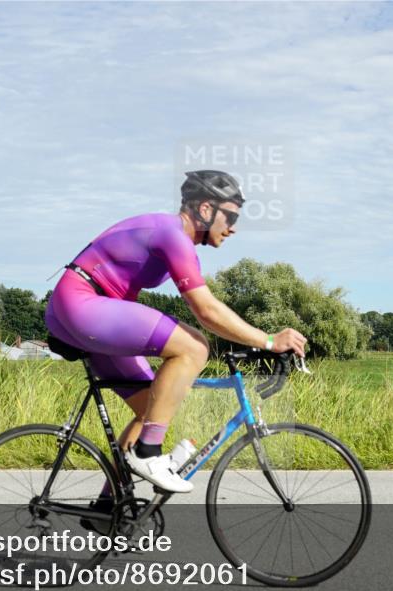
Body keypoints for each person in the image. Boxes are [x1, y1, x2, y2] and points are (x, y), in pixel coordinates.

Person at [44, 170, 307, 502]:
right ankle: (147, 454)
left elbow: (208, 304)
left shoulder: (177, 241)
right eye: (231, 215)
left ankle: (109, 506)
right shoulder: (171, 235)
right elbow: (207, 311)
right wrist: (268, 341)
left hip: (82, 308)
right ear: (206, 210)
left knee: (150, 407)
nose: (234, 226)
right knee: (195, 346)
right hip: (83, 303)